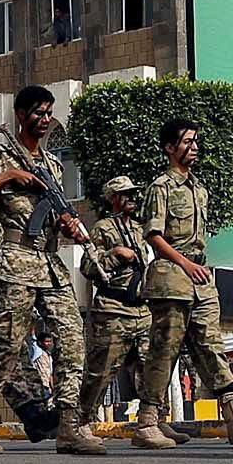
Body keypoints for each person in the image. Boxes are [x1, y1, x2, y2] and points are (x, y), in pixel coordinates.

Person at [0, 86, 103, 453]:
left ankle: (70, 424)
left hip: (50, 263)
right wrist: (6, 177)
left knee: (72, 338)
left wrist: (68, 223)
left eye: (49, 113)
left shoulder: (52, 165)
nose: (45, 119)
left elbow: (56, 213)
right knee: (6, 348)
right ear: (21, 115)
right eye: (38, 113)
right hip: (15, 261)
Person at [139, 118, 233, 446]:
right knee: (165, 349)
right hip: (172, 277)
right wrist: (186, 264)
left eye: (196, 142)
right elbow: (154, 235)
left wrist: (196, 267)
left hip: (200, 277)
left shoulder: (199, 189)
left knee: (211, 344)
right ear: (169, 148)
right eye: (187, 142)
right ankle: (147, 422)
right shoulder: (160, 187)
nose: (195, 148)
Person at [83, 176, 158, 441]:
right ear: (113, 198)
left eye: (134, 193)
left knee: (152, 368)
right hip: (113, 308)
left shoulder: (141, 229)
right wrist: (115, 255)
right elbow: (88, 267)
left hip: (143, 310)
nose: (132, 198)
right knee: (101, 370)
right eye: (125, 194)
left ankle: (151, 423)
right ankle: (83, 421)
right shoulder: (103, 228)